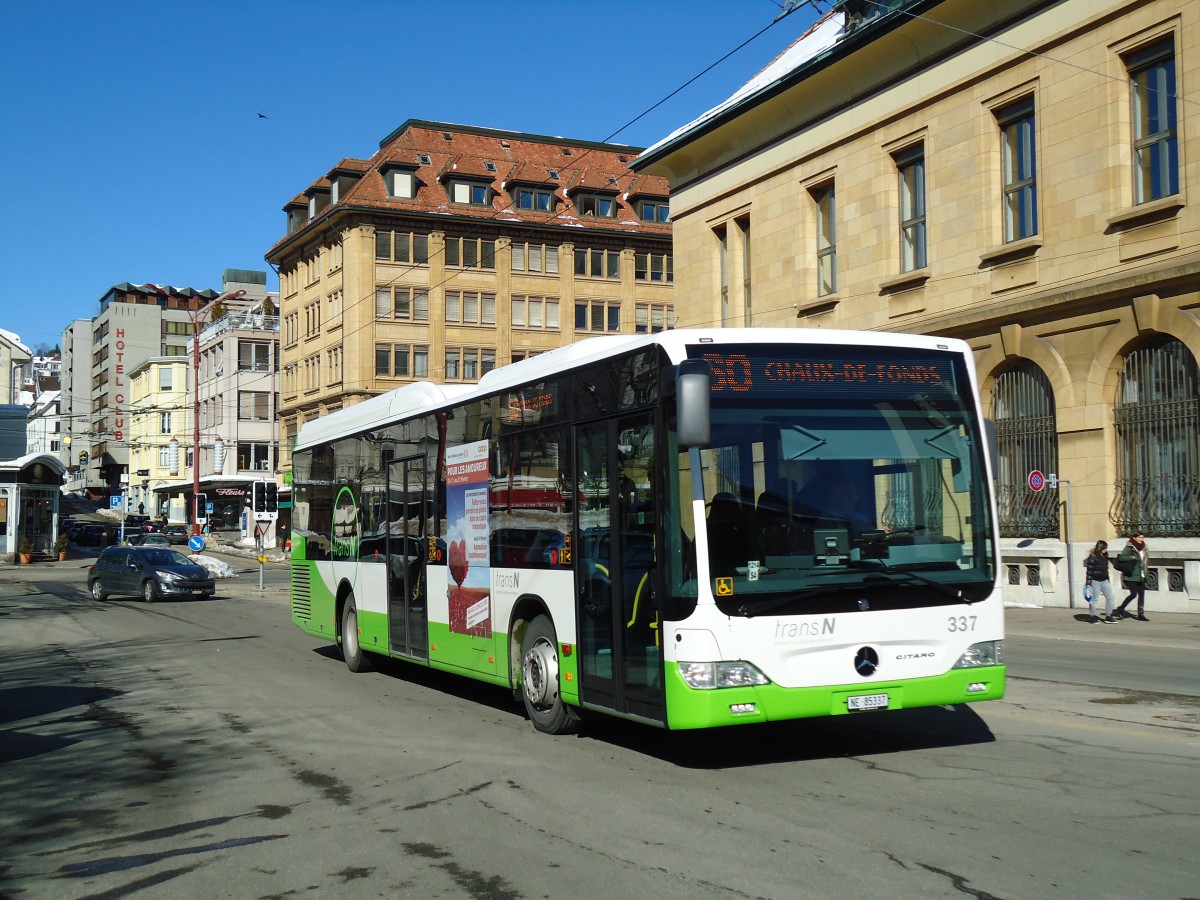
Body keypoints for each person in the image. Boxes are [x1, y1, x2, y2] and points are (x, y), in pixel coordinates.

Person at [1115, 532, 1150, 621]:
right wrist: (1132, 557)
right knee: (1133, 594)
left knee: (1142, 594)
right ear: (1135, 538)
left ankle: (1141, 614)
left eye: (1143, 537)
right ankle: (1121, 608)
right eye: (1140, 537)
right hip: (1131, 574)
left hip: (1141, 574)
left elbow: (1145, 561)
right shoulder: (1129, 547)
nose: (1142, 539)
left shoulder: (1144, 547)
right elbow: (1122, 557)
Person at [1083, 540, 1117, 624]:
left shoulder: (1105, 555)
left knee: (1110, 597)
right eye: (1105, 548)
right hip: (1095, 580)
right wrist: (1088, 582)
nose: (1106, 549)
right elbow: (1089, 570)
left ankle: (1108, 616)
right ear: (1100, 547)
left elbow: (1106, 569)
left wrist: (1108, 579)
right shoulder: (1093, 556)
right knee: (1094, 599)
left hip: (1104, 580)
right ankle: (1093, 616)